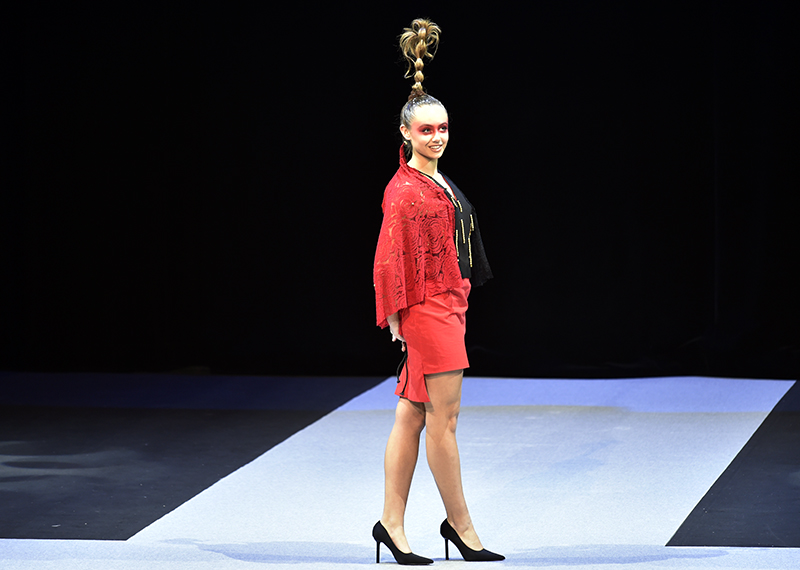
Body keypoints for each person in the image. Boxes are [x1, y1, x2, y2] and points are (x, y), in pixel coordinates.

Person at [371, 18, 503, 565]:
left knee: (411, 416)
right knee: (443, 423)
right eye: (426, 130)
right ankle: (461, 527)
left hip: (447, 304)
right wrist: (397, 316)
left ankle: (390, 524)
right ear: (405, 133)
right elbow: (387, 255)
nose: (437, 137)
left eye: (443, 127)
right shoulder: (405, 190)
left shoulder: (436, 179)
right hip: (430, 311)